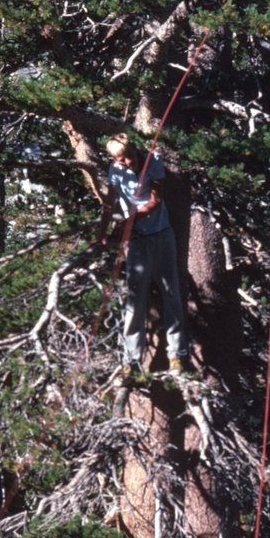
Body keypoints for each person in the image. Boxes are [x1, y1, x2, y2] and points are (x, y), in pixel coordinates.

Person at [103, 131, 188, 379]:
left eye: (128, 156)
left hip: (162, 236)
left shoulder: (154, 161)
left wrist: (130, 220)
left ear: (133, 150)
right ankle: (130, 361)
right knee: (135, 300)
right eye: (121, 160)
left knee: (171, 294)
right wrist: (104, 233)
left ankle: (176, 355)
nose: (127, 162)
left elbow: (155, 201)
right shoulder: (115, 170)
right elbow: (109, 203)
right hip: (138, 241)